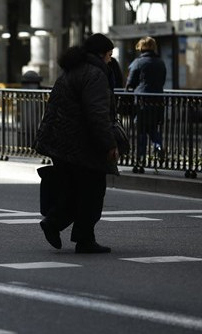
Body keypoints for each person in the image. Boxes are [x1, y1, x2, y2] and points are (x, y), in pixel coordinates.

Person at [33, 33, 119, 254]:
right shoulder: (95, 74)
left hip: (60, 142)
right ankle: (82, 238)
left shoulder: (71, 70)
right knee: (92, 192)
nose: (110, 60)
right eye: (109, 55)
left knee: (73, 191)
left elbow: (54, 107)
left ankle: (55, 224)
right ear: (102, 54)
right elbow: (97, 114)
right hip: (82, 144)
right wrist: (109, 144)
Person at [125, 36, 167, 171]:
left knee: (141, 130)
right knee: (153, 128)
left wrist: (128, 90)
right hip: (158, 101)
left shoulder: (138, 62)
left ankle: (141, 158)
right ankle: (158, 146)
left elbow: (130, 82)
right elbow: (163, 80)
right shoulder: (161, 62)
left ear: (141, 48)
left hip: (142, 101)